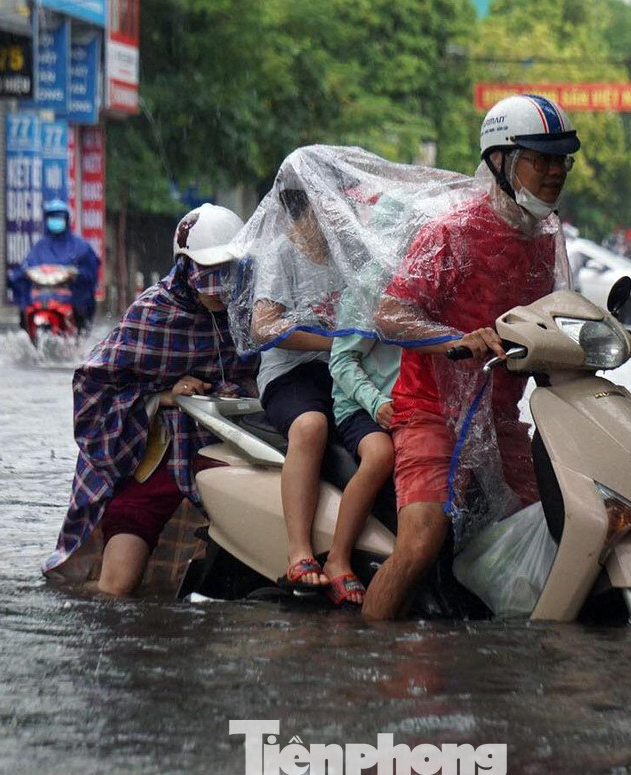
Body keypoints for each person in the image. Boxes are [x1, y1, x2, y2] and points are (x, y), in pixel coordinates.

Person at [363, 94, 578, 620]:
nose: (555, 172)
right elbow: (390, 314)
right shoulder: (451, 233)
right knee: (420, 542)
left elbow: (558, 318)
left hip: (500, 417)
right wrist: (455, 339)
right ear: (500, 162)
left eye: (562, 160)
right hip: (430, 411)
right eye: (541, 159)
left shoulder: (547, 238)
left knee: (566, 520)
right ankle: (364, 651)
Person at [42, 204, 259, 597]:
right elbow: (93, 387)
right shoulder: (152, 314)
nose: (219, 287)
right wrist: (162, 396)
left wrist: (238, 387)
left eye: (227, 271)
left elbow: (264, 371)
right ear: (185, 267)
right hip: (150, 461)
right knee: (117, 587)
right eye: (208, 273)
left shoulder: (248, 314)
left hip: (224, 457)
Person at [248, 171, 388, 606]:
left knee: (388, 440)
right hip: (291, 372)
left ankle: (347, 553)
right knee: (310, 427)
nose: (336, 214)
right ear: (303, 210)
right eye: (325, 205)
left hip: (344, 371)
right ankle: (300, 552)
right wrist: (332, 340)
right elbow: (263, 327)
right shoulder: (281, 255)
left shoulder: (352, 255)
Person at [324, 287, 400, 607]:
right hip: (361, 405)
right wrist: (376, 403)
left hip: (413, 407)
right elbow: (341, 360)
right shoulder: (369, 285)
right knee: (381, 455)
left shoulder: (435, 281)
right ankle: (337, 558)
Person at [9, 200, 101, 332]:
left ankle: (78, 335)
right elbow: (25, 267)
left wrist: (75, 274)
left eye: (59, 217)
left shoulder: (80, 247)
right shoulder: (40, 246)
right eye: (52, 216)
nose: (55, 220)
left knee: (81, 312)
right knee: (25, 310)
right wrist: (19, 275)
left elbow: (90, 273)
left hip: (70, 296)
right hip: (42, 296)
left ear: (66, 219)